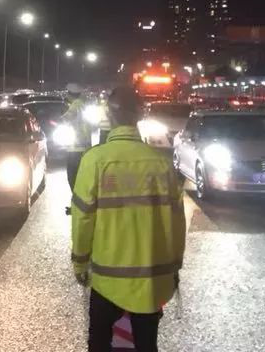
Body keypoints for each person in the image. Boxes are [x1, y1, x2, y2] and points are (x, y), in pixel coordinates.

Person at [72, 86, 186, 352]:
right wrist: (174, 266)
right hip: (152, 280)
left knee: (99, 342)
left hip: (107, 281)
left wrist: (80, 262)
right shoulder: (161, 164)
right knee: (147, 344)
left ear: (109, 116)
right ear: (139, 116)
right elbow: (177, 223)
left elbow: (82, 218)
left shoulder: (95, 161)